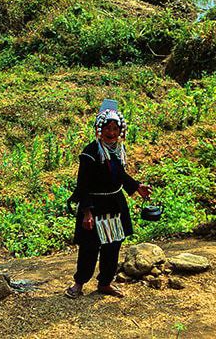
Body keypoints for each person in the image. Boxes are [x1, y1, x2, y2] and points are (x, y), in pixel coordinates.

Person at [65, 104, 151, 299]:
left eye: (115, 129)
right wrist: (87, 212)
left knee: (112, 246)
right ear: (99, 129)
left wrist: (137, 187)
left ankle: (105, 282)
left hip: (114, 205)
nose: (111, 133)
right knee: (89, 246)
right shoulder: (91, 152)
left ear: (120, 130)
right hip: (94, 207)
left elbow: (120, 175)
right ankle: (79, 282)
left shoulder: (117, 150)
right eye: (107, 128)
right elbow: (83, 184)